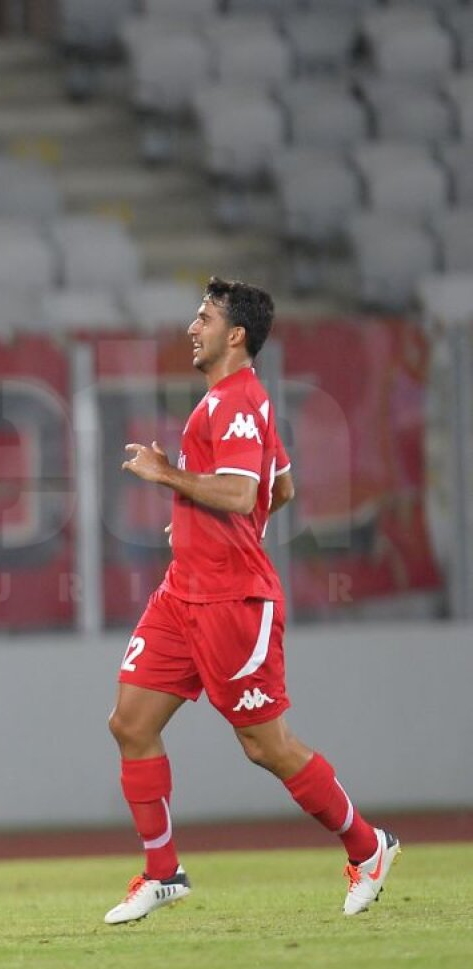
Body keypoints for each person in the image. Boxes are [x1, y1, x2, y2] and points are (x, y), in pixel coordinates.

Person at [103, 276, 399, 924]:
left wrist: (169, 478)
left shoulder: (236, 401)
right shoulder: (232, 402)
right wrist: (193, 519)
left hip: (234, 600)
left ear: (235, 335)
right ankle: (162, 872)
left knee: (268, 746)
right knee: (130, 721)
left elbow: (242, 494)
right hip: (184, 591)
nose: (192, 327)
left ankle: (368, 845)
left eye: (204, 317)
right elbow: (280, 487)